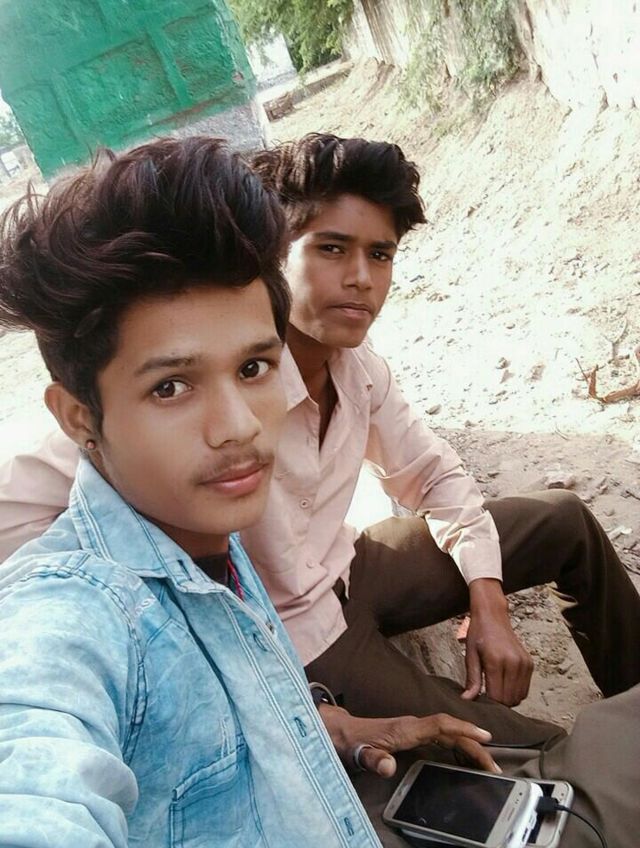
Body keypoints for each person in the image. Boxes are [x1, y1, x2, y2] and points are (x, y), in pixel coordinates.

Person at [1, 134, 640, 746]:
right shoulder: (190, 388)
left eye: (380, 255)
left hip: (350, 565)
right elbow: (21, 510)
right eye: (332, 249)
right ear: (275, 258)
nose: (361, 278)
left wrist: (488, 594)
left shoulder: (357, 370)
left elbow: (431, 473)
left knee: (564, 521)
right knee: (538, 753)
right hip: (302, 638)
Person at [0, 137, 501, 847]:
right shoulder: (78, 619)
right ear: (81, 418)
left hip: (340, 597)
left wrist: (333, 728)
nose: (238, 427)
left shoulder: (208, 531)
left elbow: (430, 471)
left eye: (255, 368)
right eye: (171, 387)